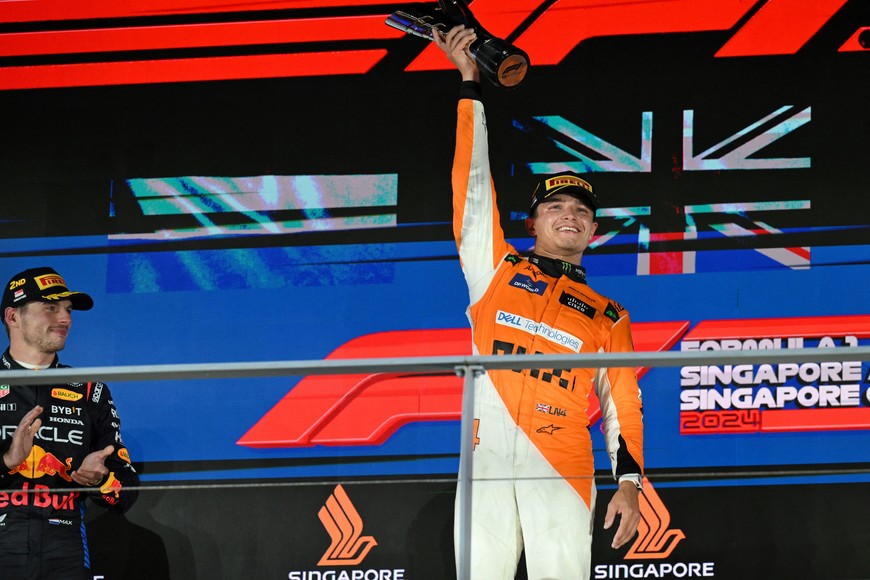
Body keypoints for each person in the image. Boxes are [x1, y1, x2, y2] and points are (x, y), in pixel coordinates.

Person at [434, 26, 645, 580]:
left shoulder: (609, 315)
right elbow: (472, 188)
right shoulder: (494, 269)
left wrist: (629, 483)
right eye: (556, 207)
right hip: (486, 461)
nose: (569, 214)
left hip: (564, 464)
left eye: (582, 209)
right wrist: (469, 84)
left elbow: (624, 403)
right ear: (534, 222)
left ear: (594, 229)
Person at [0, 266, 139, 579]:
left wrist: (100, 480)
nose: (65, 319)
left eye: (67, 310)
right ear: (13, 316)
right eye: (50, 308)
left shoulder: (91, 391)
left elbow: (126, 492)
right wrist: (8, 460)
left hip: (63, 549)